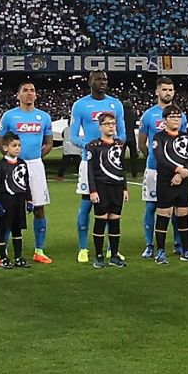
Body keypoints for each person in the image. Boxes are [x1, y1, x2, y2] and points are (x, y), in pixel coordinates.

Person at [68, 71, 126, 265]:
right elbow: (73, 136)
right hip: (89, 162)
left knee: (112, 206)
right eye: (98, 79)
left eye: (105, 80)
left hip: (112, 162)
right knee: (87, 205)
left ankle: (112, 250)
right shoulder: (80, 105)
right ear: (90, 82)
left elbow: (123, 134)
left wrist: (114, 144)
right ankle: (83, 247)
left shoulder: (116, 104)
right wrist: (89, 146)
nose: (103, 83)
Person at [0, 81, 55, 264]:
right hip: (14, 166)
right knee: (9, 209)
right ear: (18, 95)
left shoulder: (44, 117)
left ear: (36, 95)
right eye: (25, 91)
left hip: (35, 166)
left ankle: (39, 250)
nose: (29, 93)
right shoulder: (9, 117)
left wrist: (36, 156)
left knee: (39, 208)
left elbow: (49, 143)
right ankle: (3, 253)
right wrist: (12, 160)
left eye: (32, 90)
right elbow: (0, 143)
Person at [136, 77, 177, 259]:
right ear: (157, 92)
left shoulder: (179, 115)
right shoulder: (148, 115)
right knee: (151, 207)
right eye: (164, 89)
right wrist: (154, 158)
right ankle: (149, 245)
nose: (167, 92)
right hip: (154, 169)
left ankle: (178, 243)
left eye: (170, 89)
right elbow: (142, 143)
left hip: (174, 170)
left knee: (177, 208)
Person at [152, 107, 188, 262]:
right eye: (172, 117)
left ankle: (186, 250)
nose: (176, 120)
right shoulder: (159, 137)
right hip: (165, 181)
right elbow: (160, 157)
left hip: (183, 181)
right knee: (164, 215)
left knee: (183, 215)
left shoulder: (185, 137)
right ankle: (160, 251)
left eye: (178, 117)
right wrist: (178, 170)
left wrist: (183, 172)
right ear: (165, 120)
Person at [83, 112, 128, 267]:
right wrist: (93, 191)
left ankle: (114, 255)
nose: (111, 126)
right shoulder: (93, 146)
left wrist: (125, 188)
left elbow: (122, 167)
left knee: (115, 221)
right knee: (101, 220)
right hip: (101, 187)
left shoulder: (119, 144)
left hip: (117, 187)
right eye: (107, 124)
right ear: (100, 126)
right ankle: (99, 256)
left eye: (113, 124)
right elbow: (90, 170)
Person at [0, 133, 33, 268]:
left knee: (17, 229)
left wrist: (29, 200)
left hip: (19, 200)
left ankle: (18, 257)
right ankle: (2, 257)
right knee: (2, 228)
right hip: (6, 200)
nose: (17, 148)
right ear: (5, 148)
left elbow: (26, 183)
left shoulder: (22, 164)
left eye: (19, 145)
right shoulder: (0, 165)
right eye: (14, 146)